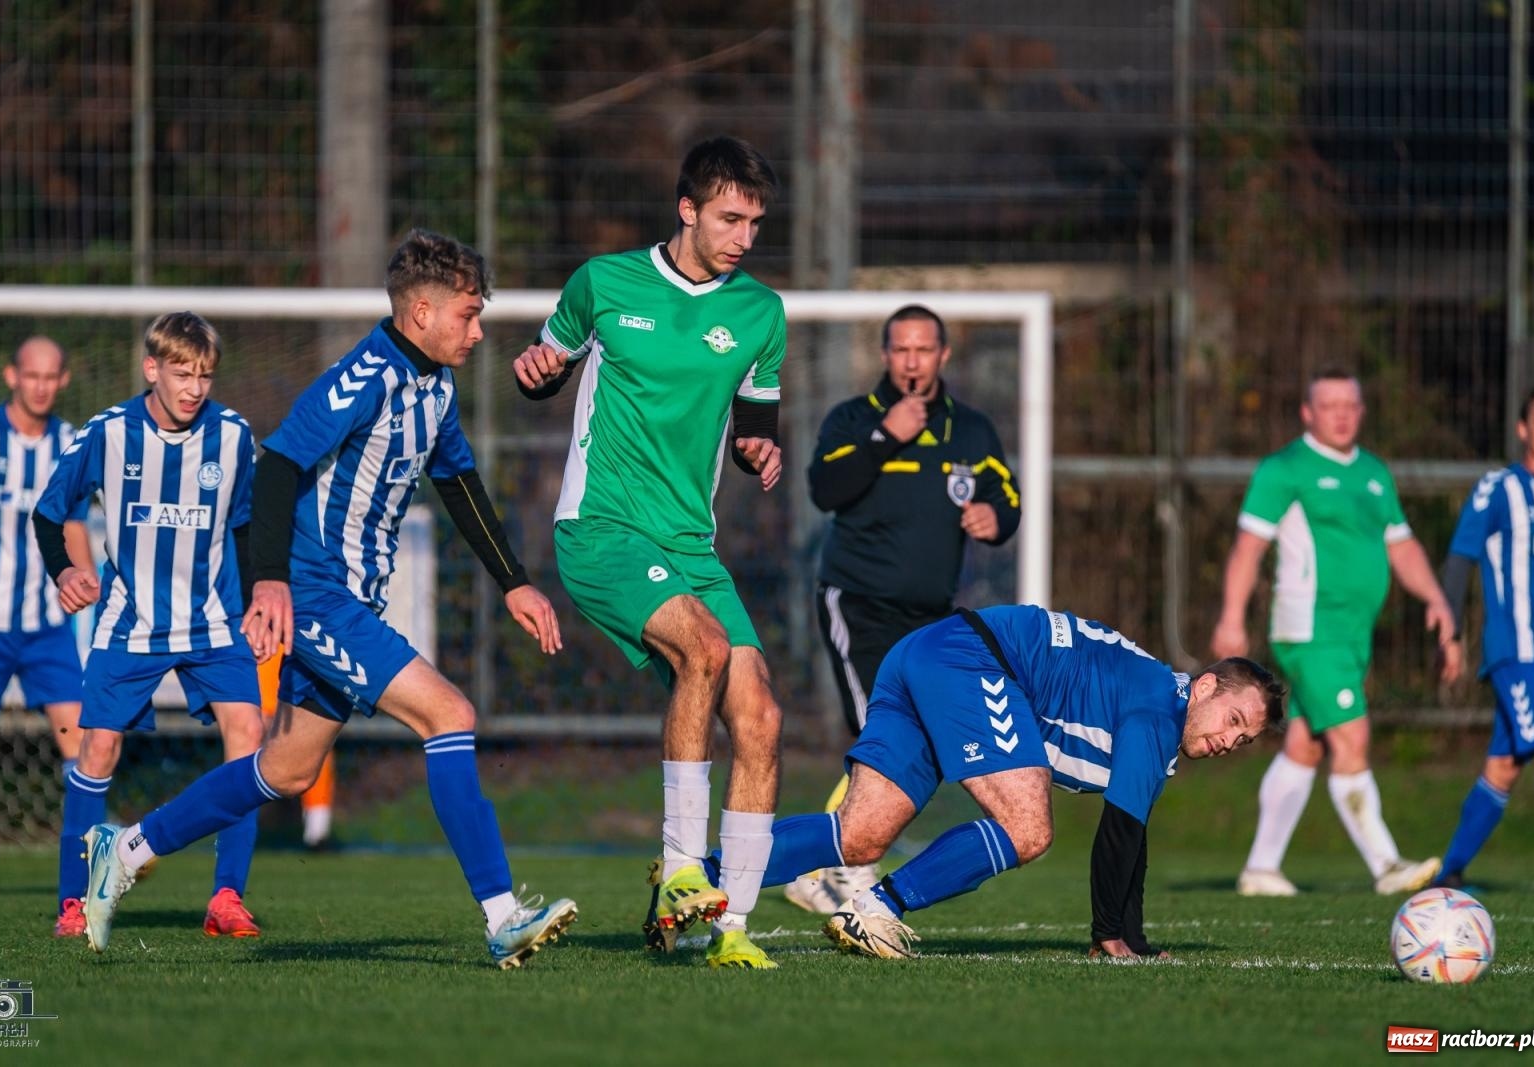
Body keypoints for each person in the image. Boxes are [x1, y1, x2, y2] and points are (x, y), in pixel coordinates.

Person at [76, 229, 577, 969]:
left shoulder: (434, 385)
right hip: (314, 591)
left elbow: (460, 483)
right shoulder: (365, 375)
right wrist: (270, 578)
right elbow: (276, 466)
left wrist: (516, 581)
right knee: (451, 712)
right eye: (468, 315)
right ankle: (502, 914)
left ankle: (125, 850)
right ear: (420, 314)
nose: (478, 331)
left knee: (286, 770)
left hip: (351, 600)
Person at [513, 135, 787, 969]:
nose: (744, 236)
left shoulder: (760, 314)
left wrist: (759, 451)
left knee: (764, 720)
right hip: (600, 529)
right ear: (688, 209)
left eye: (755, 222)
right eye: (730, 218)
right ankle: (678, 872)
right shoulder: (604, 282)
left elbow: (756, 422)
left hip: (690, 545)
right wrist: (536, 371)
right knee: (702, 647)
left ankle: (723, 925)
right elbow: (547, 366)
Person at [705, 605, 1282, 958]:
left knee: (860, 835)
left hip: (926, 653)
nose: (1233, 741)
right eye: (1235, 720)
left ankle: (696, 880)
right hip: (974, 661)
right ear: (1205, 687)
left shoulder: (1157, 698)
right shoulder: (1160, 710)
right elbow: (1121, 830)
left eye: (1246, 739)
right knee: (1027, 828)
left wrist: (1130, 936)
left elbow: (1134, 834)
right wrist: (1112, 936)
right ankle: (877, 907)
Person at [33, 313, 266, 940]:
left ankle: (226, 897)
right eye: (183, 373)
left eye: (206, 375)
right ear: (152, 369)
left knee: (248, 739)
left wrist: (258, 601)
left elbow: (247, 523)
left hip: (213, 620)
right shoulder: (106, 434)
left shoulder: (234, 436)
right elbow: (48, 512)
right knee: (98, 749)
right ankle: (74, 903)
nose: (194, 387)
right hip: (129, 621)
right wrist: (63, 572)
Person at [791, 303, 1021, 913]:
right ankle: (838, 867)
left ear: (943, 356)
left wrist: (995, 519)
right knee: (881, 733)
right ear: (885, 354)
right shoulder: (852, 420)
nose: (912, 361)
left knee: (919, 739)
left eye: (924, 349)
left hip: (932, 617)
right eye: (900, 349)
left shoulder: (971, 430)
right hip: (858, 602)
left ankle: (823, 866)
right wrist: (885, 436)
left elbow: (1006, 495)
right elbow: (824, 489)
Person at [1212, 367, 1462, 897]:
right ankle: (1386, 863)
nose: (1342, 415)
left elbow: (1402, 546)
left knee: (1305, 743)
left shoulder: (1374, 473)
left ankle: (1261, 868)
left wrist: (1437, 598)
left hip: (1353, 634)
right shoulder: (1285, 469)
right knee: (1352, 734)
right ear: (1308, 412)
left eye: (1350, 405)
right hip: (1308, 630)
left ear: (1362, 411)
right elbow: (1249, 548)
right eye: (1330, 406)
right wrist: (1232, 615)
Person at [0, 337, 91, 898]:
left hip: (46, 626)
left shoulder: (70, 443)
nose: (40, 385)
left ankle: (87, 873)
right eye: (30, 374)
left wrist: (83, 580)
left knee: (80, 738)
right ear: (12, 375)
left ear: (63, 380)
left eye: (50, 376)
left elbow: (75, 521)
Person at [1432, 387, 1534, 886]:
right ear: (1523, 429)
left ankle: (1448, 873)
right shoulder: (1499, 488)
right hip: (1517, 652)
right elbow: (1462, 555)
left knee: (1503, 766)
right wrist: (1452, 631)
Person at [256, 648, 338, 850]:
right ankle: (238, 828)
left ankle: (318, 833)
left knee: (316, 738)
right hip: (267, 637)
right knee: (255, 731)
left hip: (306, 635)